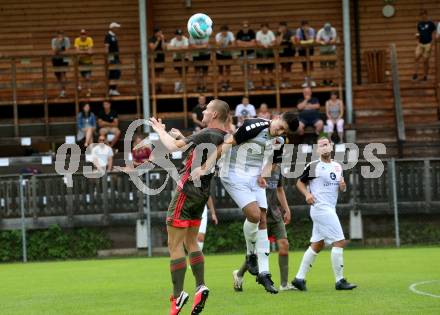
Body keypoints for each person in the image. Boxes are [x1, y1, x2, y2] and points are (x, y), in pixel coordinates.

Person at [147, 99, 230, 315]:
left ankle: (178, 296)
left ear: (214, 115)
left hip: (186, 192)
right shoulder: (219, 136)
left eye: (207, 109)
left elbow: (172, 147)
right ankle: (200, 285)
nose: (203, 111)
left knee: (174, 245)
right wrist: (180, 137)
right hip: (202, 194)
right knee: (191, 242)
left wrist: (159, 130)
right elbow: (191, 147)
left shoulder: (207, 133)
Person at [220, 112, 299, 294]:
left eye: (283, 131)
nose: (279, 131)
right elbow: (229, 143)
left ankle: (264, 274)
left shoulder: (280, 141)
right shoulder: (254, 125)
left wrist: (263, 175)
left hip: (254, 177)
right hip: (235, 173)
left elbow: (271, 162)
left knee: (262, 220)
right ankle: (250, 255)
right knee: (255, 216)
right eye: (280, 126)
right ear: (277, 117)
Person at [291, 137, 357, 291]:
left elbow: (341, 187)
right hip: (321, 208)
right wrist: (307, 194)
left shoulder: (337, 166)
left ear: (331, 147)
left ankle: (299, 279)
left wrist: (343, 186)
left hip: (329, 208)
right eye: (321, 146)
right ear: (317, 150)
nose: (324, 147)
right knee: (339, 241)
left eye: (326, 144)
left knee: (317, 245)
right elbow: (299, 182)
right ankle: (340, 281)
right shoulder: (314, 166)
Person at [233, 160, 294, 292]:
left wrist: (287, 209)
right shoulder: (256, 168)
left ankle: (284, 284)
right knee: (256, 253)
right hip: (260, 216)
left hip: (276, 215)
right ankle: (239, 274)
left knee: (284, 245)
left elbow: (279, 190)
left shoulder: (278, 169)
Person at [413, 10, 437, 81]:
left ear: (426, 15)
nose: (423, 16)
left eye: (424, 15)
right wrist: (417, 36)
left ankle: (425, 76)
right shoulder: (419, 24)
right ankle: (415, 73)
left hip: (428, 44)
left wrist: (432, 43)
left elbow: (434, 33)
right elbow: (418, 32)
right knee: (416, 57)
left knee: (425, 60)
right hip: (420, 43)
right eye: (421, 15)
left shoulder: (431, 23)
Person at [294, 21, 316, 87]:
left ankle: (311, 80)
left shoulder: (311, 30)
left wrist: (306, 33)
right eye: (303, 26)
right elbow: (298, 41)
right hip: (302, 49)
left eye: (306, 26)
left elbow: (311, 40)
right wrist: (297, 51)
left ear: (308, 26)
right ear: (302, 26)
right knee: (304, 65)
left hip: (310, 49)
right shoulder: (298, 30)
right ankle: (306, 81)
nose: (305, 27)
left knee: (310, 64)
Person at [236, 21, 256, 90]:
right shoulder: (239, 33)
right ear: (242, 27)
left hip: (251, 54)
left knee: (250, 69)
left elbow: (253, 43)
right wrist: (248, 44)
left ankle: (250, 83)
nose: (245, 28)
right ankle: (246, 84)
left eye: (246, 27)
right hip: (242, 55)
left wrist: (243, 44)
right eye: (244, 27)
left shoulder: (252, 32)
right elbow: (238, 43)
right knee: (244, 70)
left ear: (248, 27)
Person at [215, 25, 235, 91]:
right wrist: (222, 38)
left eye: (225, 31)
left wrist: (227, 47)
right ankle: (222, 84)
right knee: (221, 70)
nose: (224, 32)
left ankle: (228, 84)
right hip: (219, 54)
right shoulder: (218, 35)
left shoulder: (230, 34)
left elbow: (233, 44)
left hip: (228, 53)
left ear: (227, 31)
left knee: (228, 69)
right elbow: (218, 45)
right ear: (221, 31)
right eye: (223, 31)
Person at [74, 29, 94, 97]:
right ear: (80, 35)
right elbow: (77, 52)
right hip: (80, 61)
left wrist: (81, 52)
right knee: (80, 76)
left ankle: (88, 91)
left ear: (86, 35)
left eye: (84, 34)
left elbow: (91, 51)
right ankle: (79, 87)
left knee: (87, 77)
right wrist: (86, 51)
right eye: (82, 34)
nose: (83, 36)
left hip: (89, 62)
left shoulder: (89, 39)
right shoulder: (77, 40)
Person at [256, 23, 276, 89]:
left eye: (265, 27)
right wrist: (263, 45)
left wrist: (269, 45)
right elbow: (258, 42)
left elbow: (274, 41)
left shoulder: (270, 33)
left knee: (270, 70)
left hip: (269, 53)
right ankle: (263, 84)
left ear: (268, 28)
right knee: (261, 70)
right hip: (260, 53)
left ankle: (271, 84)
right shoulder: (258, 33)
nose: (264, 29)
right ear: (261, 28)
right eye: (263, 27)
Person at [51, 31, 70, 97]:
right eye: (59, 36)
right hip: (56, 58)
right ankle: (62, 89)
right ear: (57, 36)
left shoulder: (66, 39)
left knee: (64, 73)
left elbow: (67, 51)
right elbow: (54, 51)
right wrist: (59, 43)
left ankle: (64, 91)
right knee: (58, 75)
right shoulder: (54, 40)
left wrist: (59, 50)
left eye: (61, 36)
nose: (60, 37)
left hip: (65, 58)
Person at [276, 22, 295, 88]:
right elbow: (278, 43)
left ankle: (288, 81)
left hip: (290, 51)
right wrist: (281, 34)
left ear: (286, 27)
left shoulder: (290, 32)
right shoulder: (278, 33)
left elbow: (293, 41)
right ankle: (283, 82)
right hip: (282, 52)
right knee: (283, 67)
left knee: (288, 67)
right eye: (280, 27)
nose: (282, 28)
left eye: (283, 27)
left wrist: (291, 39)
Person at [105, 22, 121, 96]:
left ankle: (113, 89)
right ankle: (111, 89)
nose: (118, 29)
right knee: (114, 72)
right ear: (112, 28)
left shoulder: (114, 36)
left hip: (116, 57)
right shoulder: (108, 36)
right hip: (112, 57)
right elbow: (106, 47)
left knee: (116, 72)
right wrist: (108, 58)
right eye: (116, 27)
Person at [148, 28, 166, 92]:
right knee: (155, 73)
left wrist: (163, 40)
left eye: (161, 33)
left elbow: (164, 48)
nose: (160, 34)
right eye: (159, 32)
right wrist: (158, 41)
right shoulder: (151, 39)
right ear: (156, 33)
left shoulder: (162, 39)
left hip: (161, 57)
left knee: (160, 73)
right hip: (154, 58)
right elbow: (152, 48)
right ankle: (154, 88)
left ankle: (159, 87)